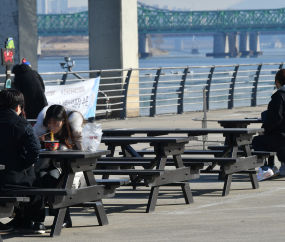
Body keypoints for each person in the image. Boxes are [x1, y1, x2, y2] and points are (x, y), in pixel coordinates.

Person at [0, 89, 46, 234]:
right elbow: (35, 149)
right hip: (14, 176)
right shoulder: (20, 123)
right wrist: (25, 165)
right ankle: (38, 221)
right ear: (17, 107)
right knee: (34, 182)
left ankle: (21, 219)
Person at [33, 104, 84, 228]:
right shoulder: (43, 130)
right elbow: (32, 153)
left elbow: (83, 153)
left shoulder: (72, 133)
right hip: (44, 165)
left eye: (56, 123)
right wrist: (38, 143)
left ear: (64, 122)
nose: (52, 126)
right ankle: (38, 221)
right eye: (49, 123)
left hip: (66, 169)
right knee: (37, 179)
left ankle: (63, 218)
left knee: (54, 180)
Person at [252, 69, 285, 180]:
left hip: (281, 136)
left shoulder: (279, 96)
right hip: (281, 136)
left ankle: (266, 169)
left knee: (257, 140)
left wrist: (264, 129)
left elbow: (276, 118)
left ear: (277, 81)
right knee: (268, 139)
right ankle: (272, 167)